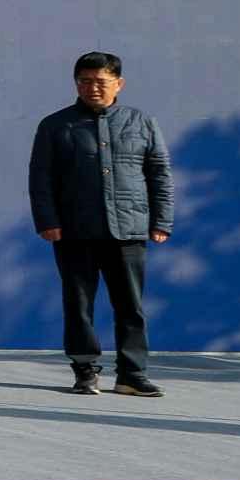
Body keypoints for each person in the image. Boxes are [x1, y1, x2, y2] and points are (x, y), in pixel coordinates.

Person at [29, 50, 171, 397]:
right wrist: (47, 220)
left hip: (128, 229)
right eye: (85, 81)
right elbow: (41, 178)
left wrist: (161, 220)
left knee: (130, 307)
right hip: (74, 230)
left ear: (118, 84)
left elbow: (159, 173)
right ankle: (85, 370)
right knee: (79, 305)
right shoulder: (55, 125)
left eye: (101, 81)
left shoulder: (141, 122)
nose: (92, 87)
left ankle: (131, 375)